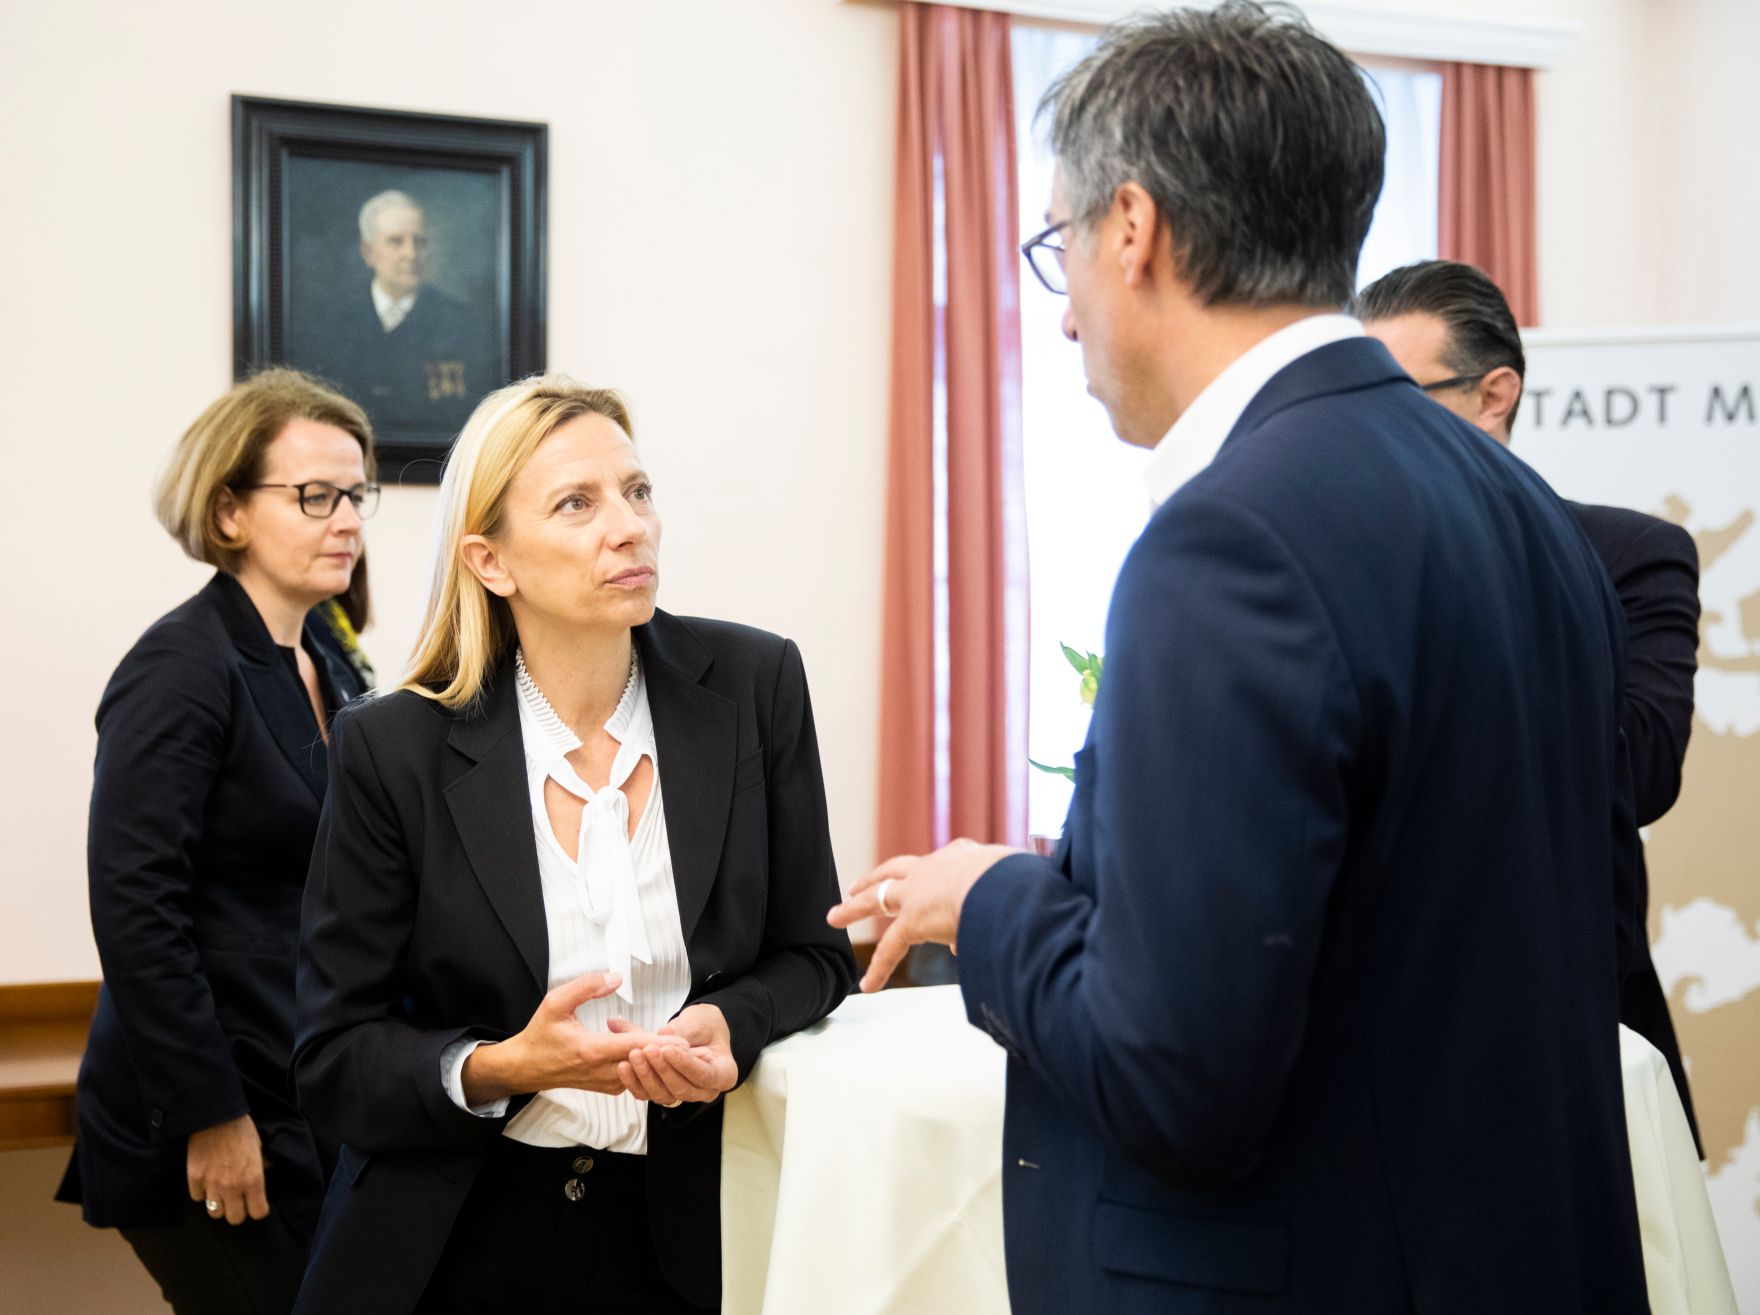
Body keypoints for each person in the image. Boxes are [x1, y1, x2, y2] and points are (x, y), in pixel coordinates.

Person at [830, 5, 1649, 1311]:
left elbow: (1174, 1077)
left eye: (1059, 249)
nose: (1061, 321)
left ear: (1134, 229)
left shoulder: (1233, 538)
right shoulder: (1525, 516)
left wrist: (983, 897)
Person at [292, 375, 855, 1314]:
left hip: (690, 1230)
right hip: (459, 1236)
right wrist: (508, 1062)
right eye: (576, 504)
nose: (630, 526)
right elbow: (334, 1056)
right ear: (492, 560)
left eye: (637, 491)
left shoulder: (756, 684)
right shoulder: (394, 746)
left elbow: (816, 954)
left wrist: (730, 1024)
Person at [1357, 257, 1704, 1153]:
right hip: (1373, 1050)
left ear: (1493, 393)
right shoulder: (1338, 567)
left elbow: (1643, 767)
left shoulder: (1630, 555)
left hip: (1575, 1031)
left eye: (1403, 399)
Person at [56, 369, 378, 1313]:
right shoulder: (179, 666)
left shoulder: (327, 655)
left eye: (355, 494)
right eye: (315, 495)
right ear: (229, 511)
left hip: (296, 1088)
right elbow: (134, 907)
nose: (348, 518)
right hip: (200, 1105)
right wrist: (212, 1114)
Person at [289, 189, 496, 435]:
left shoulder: (462, 323)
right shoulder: (330, 321)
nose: (410, 254)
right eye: (396, 241)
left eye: (419, 242)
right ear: (367, 252)